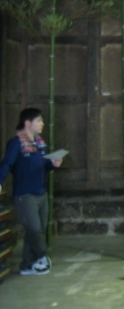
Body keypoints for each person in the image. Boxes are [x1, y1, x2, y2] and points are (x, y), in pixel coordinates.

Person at [0, 108, 62, 276]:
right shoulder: (16, 143)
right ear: (28, 123)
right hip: (25, 195)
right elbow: (7, 163)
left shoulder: (40, 144)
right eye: (39, 121)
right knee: (34, 229)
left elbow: (44, 165)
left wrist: (53, 164)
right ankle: (42, 257)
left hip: (41, 193)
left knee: (36, 230)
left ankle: (27, 265)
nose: (42, 124)